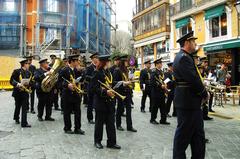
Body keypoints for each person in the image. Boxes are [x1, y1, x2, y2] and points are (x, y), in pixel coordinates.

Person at [173, 31, 208, 158]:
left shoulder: (185, 57)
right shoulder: (183, 58)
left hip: (191, 102)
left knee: (198, 136)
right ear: (187, 43)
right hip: (188, 103)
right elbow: (193, 79)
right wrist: (204, 93)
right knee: (182, 137)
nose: (195, 44)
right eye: (193, 42)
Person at [92, 54, 121, 149]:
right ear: (105, 62)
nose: (110, 63)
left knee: (111, 124)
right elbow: (94, 88)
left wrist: (121, 83)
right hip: (101, 102)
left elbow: (111, 83)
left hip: (110, 102)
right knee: (99, 124)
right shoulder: (97, 72)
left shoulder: (108, 72)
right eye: (109, 61)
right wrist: (105, 91)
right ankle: (97, 141)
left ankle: (111, 142)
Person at [61, 54, 85, 135]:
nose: (78, 62)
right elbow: (59, 82)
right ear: (72, 62)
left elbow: (81, 79)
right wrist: (67, 85)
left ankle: (77, 128)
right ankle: (67, 128)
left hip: (76, 93)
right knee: (67, 112)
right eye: (77, 61)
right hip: (67, 94)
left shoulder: (76, 70)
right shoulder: (64, 70)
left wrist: (82, 73)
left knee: (78, 111)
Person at [113, 54, 137, 132]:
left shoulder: (127, 70)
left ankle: (129, 126)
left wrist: (131, 80)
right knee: (120, 109)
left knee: (129, 110)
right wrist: (123, 83)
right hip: (121, 92)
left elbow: (127, 79)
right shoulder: (117, 70)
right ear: (123, 62)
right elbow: (114, 83)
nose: (128, 62)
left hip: (128, 92)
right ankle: (118, 124)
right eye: (126, 61)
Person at [10, 58, 32, 128]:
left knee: (25, 108)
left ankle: (24, 123)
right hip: (17, 92)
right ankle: (16, 118)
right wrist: (17, 84)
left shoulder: (29, 73)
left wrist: (29, 84)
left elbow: (31, 82)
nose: (29, 65)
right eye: (28, 63)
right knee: (17, 106)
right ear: (24, 64)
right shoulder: (16, 71)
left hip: (25, 93)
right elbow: (11, 81)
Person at [150, 58, 170, 125]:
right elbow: (153, 82)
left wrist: (166, 84)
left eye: (161, 63)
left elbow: (164, 80)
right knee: (155, 107)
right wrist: (160, 86)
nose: (161, 64)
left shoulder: (161, 72)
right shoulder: (153, 72)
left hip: (162, 92)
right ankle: (152, 119)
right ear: (157, 64)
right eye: (160, 63)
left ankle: (163, 120)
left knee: (163, 107)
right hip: (156, 92)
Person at [85, 52, 99, 124]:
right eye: (95, 58)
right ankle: (90, 118)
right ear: (92, 59)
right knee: (90, 104)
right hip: (91, 88)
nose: (97, 59)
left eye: (97, 58)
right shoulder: (89, 67)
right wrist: (93, 78)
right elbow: (86, 77)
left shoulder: (99, 67)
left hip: (97, 88)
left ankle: (98, 118)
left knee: (97, 104)